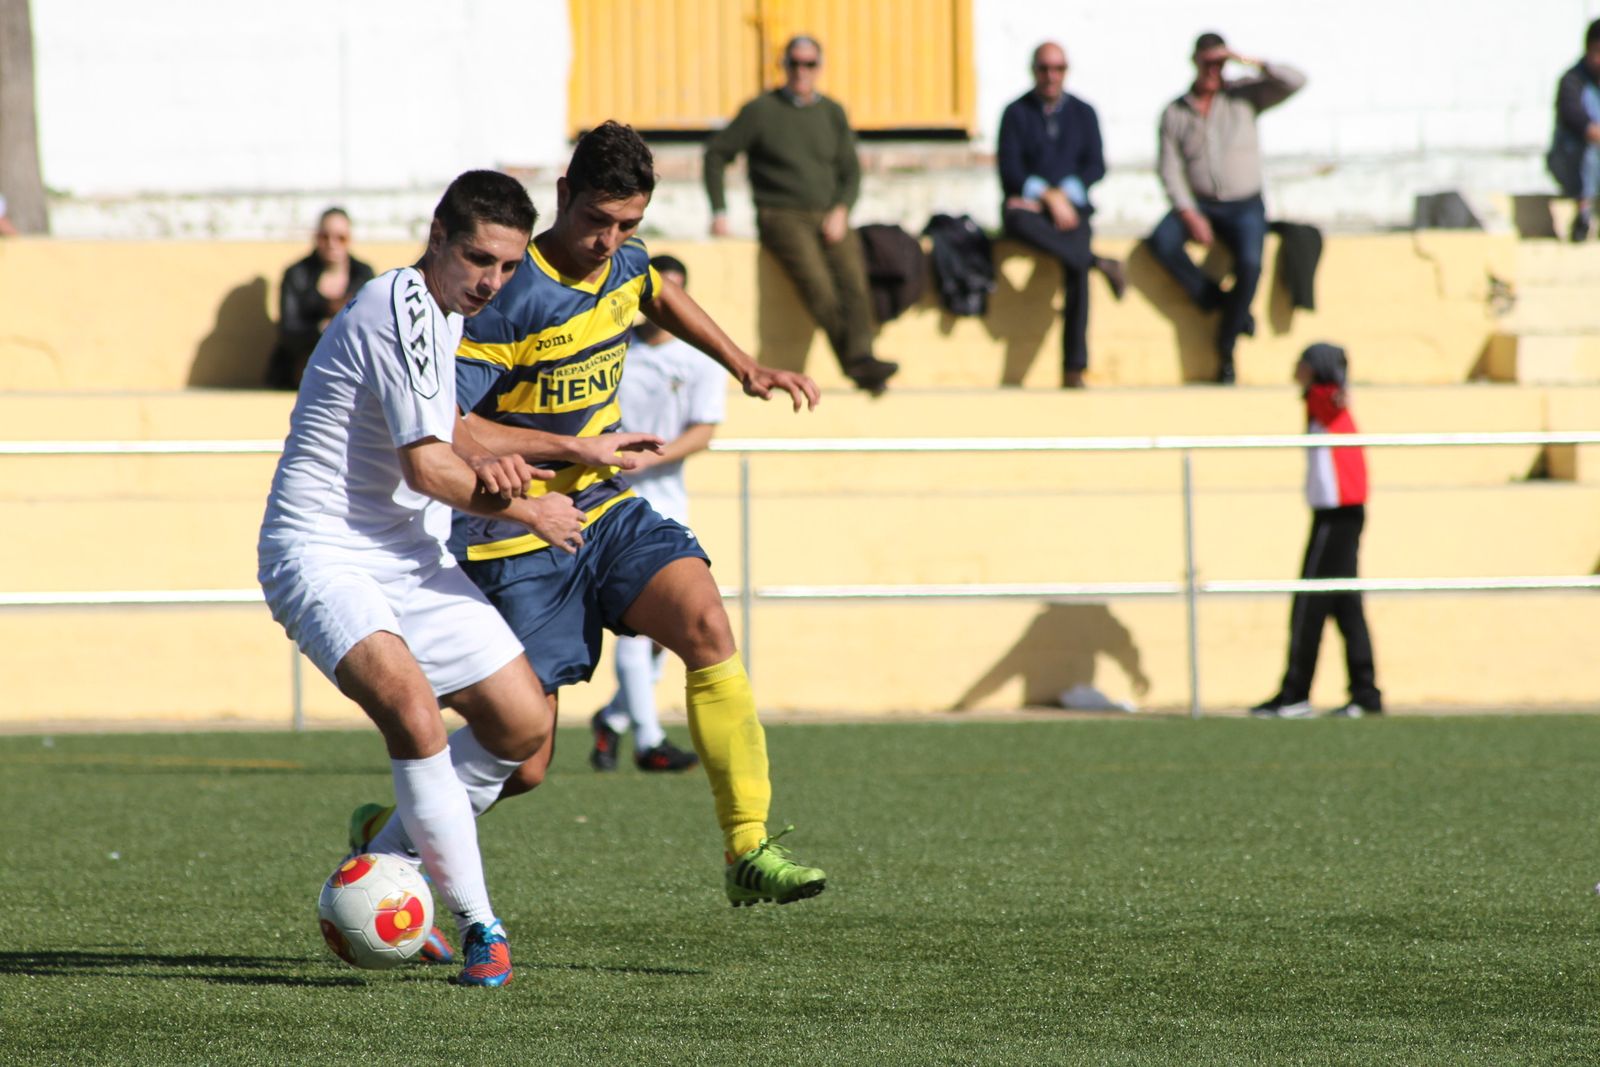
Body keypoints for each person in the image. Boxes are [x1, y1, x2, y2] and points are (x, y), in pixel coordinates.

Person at [356, 121, 829, 913]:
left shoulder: (627, 261)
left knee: (706, 621)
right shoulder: (507, 295)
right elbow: (452, 424)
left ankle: (747, 844)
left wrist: (745, 366)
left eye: (628, 224)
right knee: (526, 760)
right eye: (596, 220)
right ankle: (387, 829)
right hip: (515, 529)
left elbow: (657, 289)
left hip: (603, 508)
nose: (609, 240)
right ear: (563, 195)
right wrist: (559, 449)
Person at [258, 170, 587, 987]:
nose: (492, 280)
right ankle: (481, 926)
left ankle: (388, 852)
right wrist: (531, 509)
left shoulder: (442, 313)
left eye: (508, 266)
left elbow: (454, 426)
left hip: (406, 554)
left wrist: (573, 447)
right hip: (322, 552)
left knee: (524, 729)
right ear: (437, 236)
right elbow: (430, 465)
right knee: (412, 709)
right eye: (479, 258)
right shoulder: (398, 302)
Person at [704, 34, 899, 396]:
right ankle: (857, 362)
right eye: (794, 63)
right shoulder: (761, 110)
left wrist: (841, 209)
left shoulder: (832, 112)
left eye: (809, 64)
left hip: (827, 211)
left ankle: (863, 358)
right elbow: (716, 154)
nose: (801, 71)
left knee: (855, 281)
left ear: (819, 67)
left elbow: (851, 171)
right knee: (818, 286)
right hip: (781, 213)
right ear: (784, 65)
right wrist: (719, 210)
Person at [589, 253, 720, 774]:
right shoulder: (615, 348)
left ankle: (614, 719)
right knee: (638, 625)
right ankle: (648, 740)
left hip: (668, 499)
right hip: (611, 498)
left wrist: (652, 457)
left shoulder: (699, 359)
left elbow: (704, 430)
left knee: (670, 629)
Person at [1144, 33, 1305, 384]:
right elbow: (1169, 168)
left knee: (1250, 264)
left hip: (1244, 203)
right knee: (1162, 242)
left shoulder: (1244, 96)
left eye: (1219, 63)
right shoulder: (1176, 111)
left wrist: (1247, 60)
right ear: (1195, 62)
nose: (1213, 70)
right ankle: (1221, 303)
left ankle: (1226, 343)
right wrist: (1189, 213)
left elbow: (1295, 81)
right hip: (1200, 204)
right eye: (1208, 62)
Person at [1250, 343, 1383, 720]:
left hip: (1337, 514)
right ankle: (1365, 692)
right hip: (1339, 512)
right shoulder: (1319, 399)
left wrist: (1332, 383)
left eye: (1302, 363)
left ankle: (1295, 694)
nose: (1296, 368)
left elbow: (1333, 399)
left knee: (1309, 603)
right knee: (1345, 606)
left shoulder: (1323, 397)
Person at [998, 41, 1126, 390]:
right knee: (1024, 224)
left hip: (1071, 211)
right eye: (1044, 68)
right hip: (1030, 211)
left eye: (1058, 69)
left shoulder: (1083, 112)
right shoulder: (1016, 113)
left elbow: (1095, 165)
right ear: (1033, 71)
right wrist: (1046, 196)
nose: (1051, 76)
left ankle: (1074, 367)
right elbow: (1010, 171)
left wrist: (1064, 196)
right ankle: (1098, 262)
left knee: (1076, 269)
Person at [267, 207, 376, 389]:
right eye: (324, 237)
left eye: (341, 238)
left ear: (350, 239)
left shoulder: (363, 275)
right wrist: (321, 329)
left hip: (351, 369)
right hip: (301, 368)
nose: (332, 244)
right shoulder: (296, 274)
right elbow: (288, 331)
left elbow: (372, 327)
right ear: (316, 238)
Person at [1547, 19, 1600, 242]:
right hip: (1569, 161)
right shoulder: (1572, 81)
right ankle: (1583, 215)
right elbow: (1582, 125)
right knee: (1587, 150)